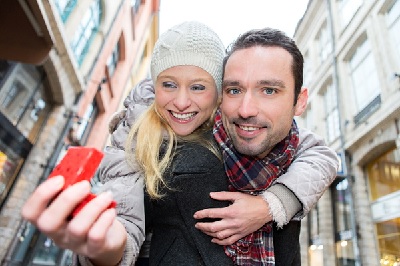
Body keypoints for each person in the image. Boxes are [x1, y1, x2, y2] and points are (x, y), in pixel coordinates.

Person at [21, 21, 338, 266]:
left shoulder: (280, 141)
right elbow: (125, 219)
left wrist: (270, 205)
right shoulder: (143, 137)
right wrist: (106, 245)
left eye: (269, 90)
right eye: (235, 90)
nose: (246, 109)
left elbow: (323, 157)